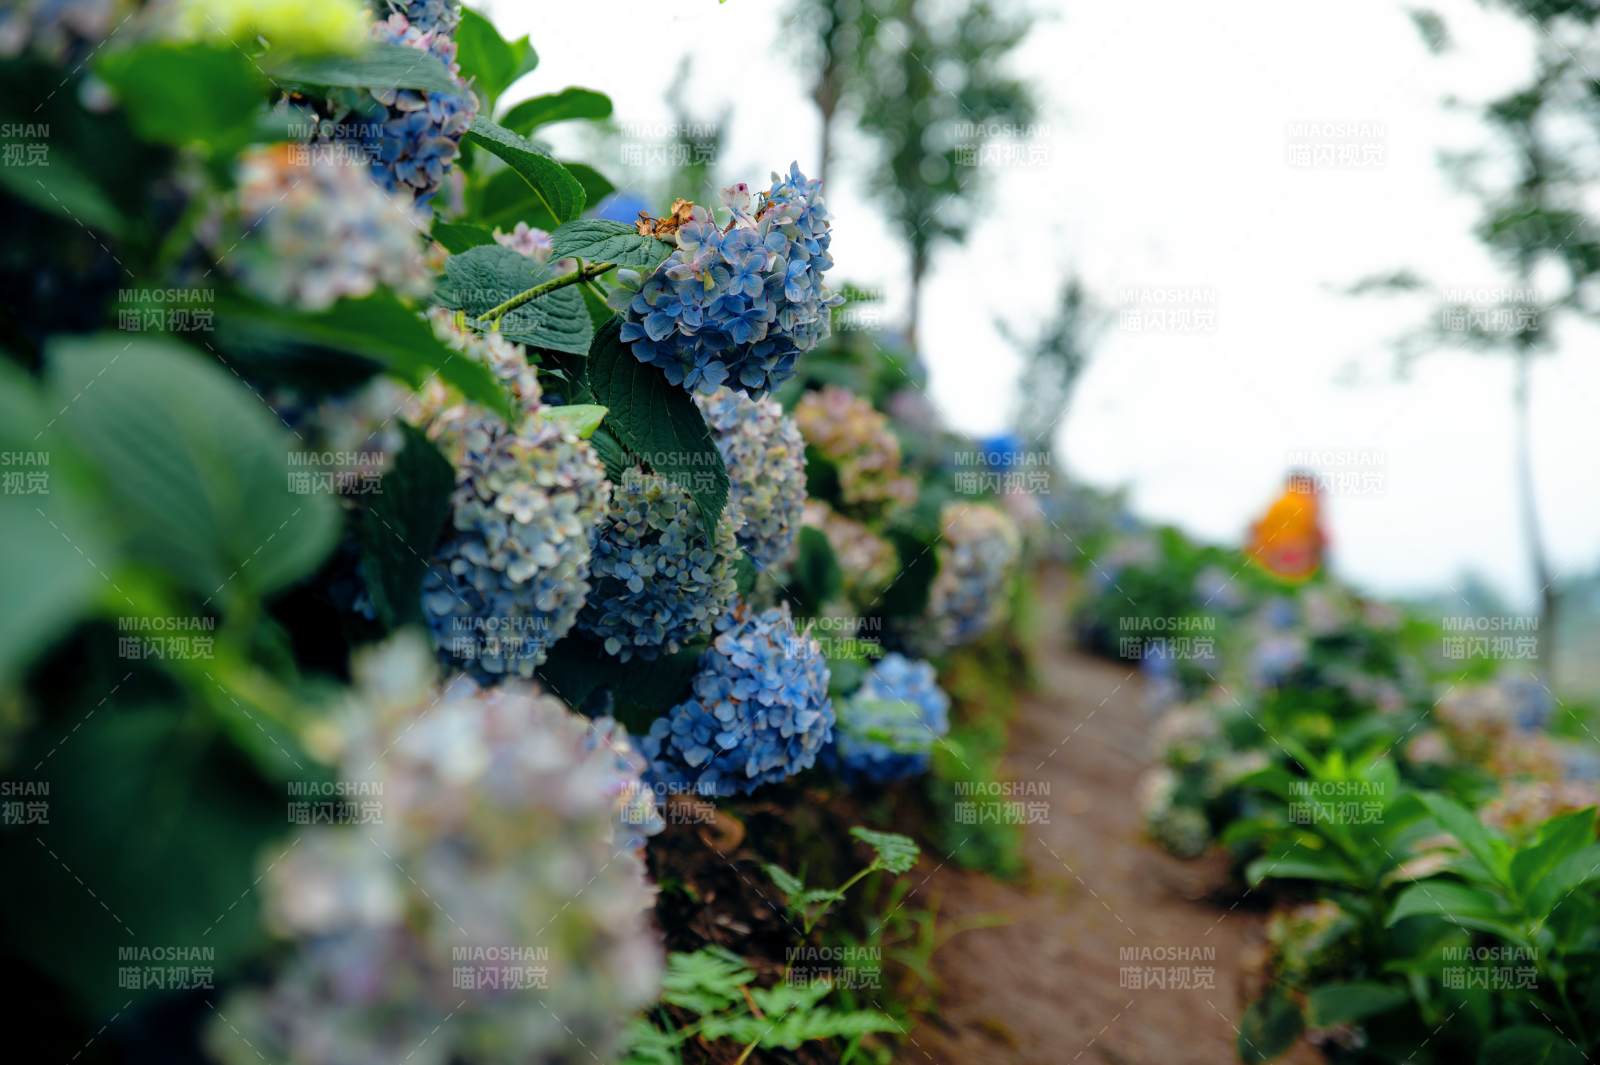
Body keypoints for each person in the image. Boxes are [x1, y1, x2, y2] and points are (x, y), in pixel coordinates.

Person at [1245, 470, 1326, 582]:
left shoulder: (1284, 503)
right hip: (1278, 577)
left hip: (1261, 570)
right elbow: (1287, 549)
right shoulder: (1296, 505)